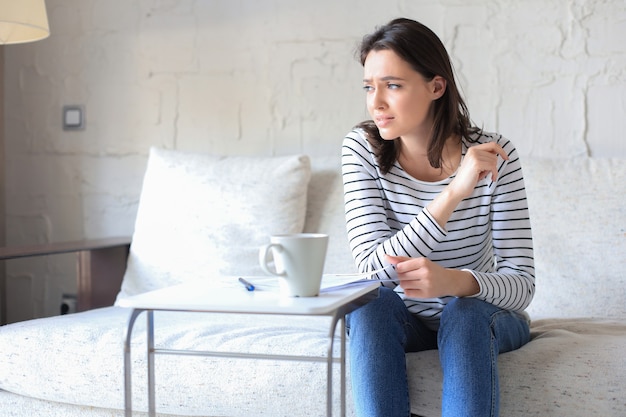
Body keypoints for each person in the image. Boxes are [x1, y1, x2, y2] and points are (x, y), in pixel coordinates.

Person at [342, 18, 535, 417]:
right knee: (367, 305)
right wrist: (452, 194)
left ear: (436, 86)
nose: (375, 102)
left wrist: (453, 282)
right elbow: (369, 270)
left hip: (481, 316)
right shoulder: (362, 150)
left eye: (392, 85)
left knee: (462, 314)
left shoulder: (494, 154)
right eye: (369, 86)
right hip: (404, 320)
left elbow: (522, 285)